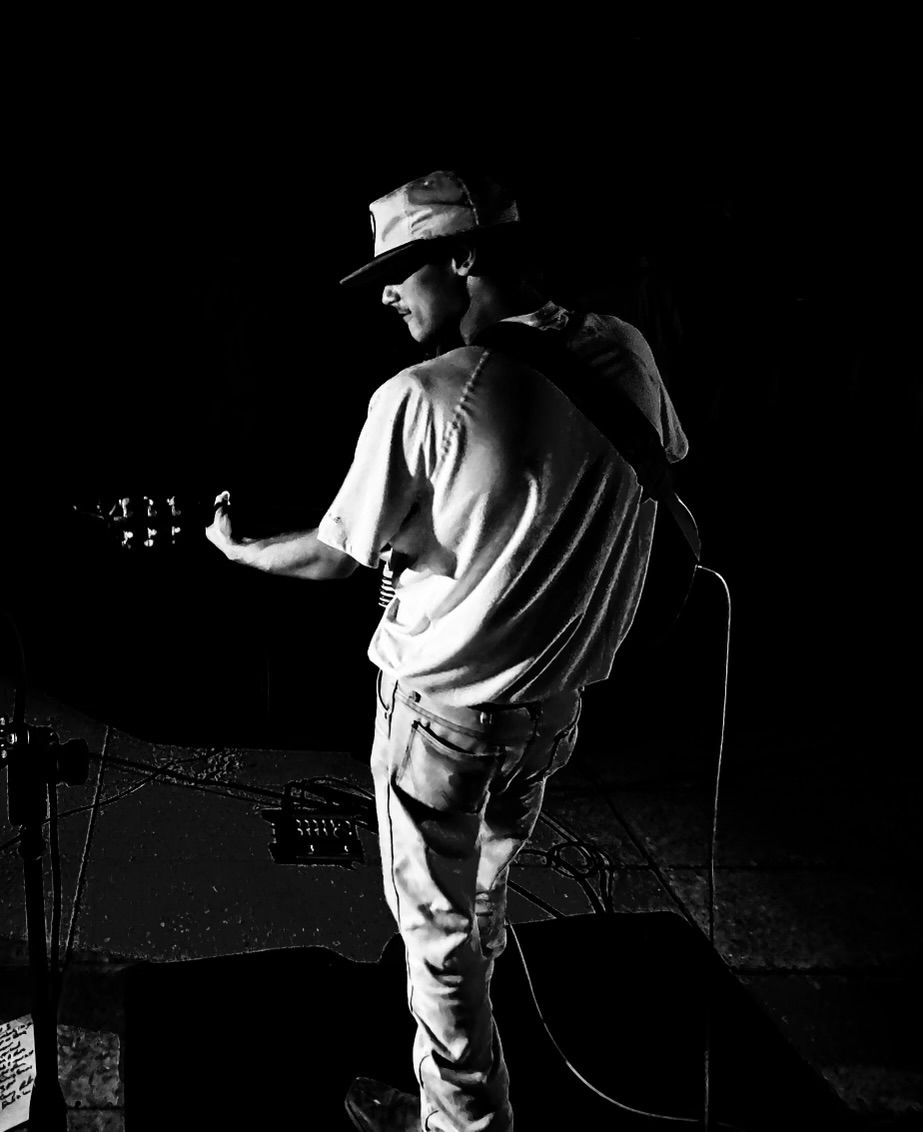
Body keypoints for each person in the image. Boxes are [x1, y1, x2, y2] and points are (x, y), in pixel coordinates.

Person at [205, 169, 688, 1132]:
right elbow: (638, 475)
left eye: (398, 270)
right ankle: (449, 1097)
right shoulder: (621, 351)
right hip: (551, 714)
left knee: (436, 940)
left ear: (463, 258)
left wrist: (240, 550)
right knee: (480, 909)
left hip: (442, 722)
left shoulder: (423, 395)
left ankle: (462, 1124)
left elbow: (334, 556)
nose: (386, 293)